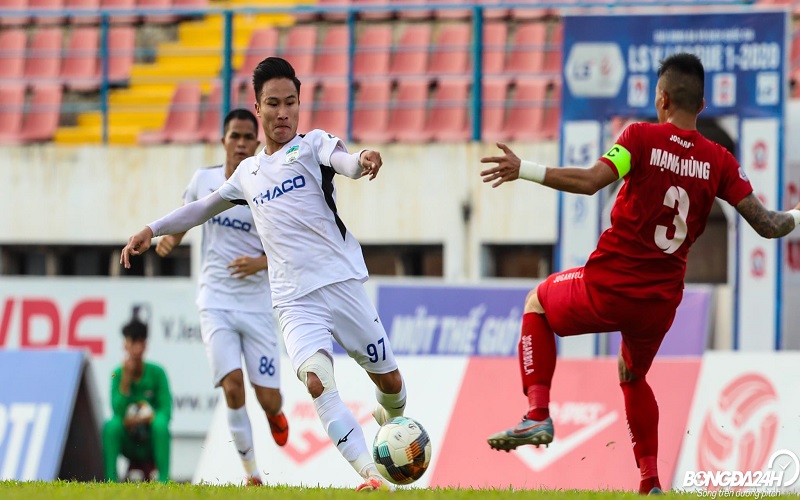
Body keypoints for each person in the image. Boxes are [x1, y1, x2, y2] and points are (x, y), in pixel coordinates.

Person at [479, 53, 800, 495]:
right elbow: (768, 224)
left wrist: (526, 170)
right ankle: (650, 481)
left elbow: (591, 181)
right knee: (632, 374)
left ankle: (536, 415)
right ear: (702, 105)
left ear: (662, 99)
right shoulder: (720, 161)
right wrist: (797, 215)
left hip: (610, 285)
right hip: (659, 304)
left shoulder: (640, 137)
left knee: (537, 302)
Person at [120, 57, 406, 491]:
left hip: (341, 284)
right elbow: (201, 208)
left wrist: (363, 158)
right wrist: (152, 228)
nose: (283, 112)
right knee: (316, 382)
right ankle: (370, 475)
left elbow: (345, 162)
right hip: (294, 301)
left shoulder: (313, 145)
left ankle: (391, 415)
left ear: (299, 103)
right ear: (259, 108)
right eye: (273, 104)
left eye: (291, 102)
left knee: (391, 383)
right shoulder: (248, 174)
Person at [154, 108, 289, 486]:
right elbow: (188, 214)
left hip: (257, 305)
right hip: (215, 302)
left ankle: (275, 413)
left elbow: (289, 247)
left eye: (248, 137)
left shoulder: (270, 187)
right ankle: (252, 475)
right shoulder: (205, 180)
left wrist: (259, 263)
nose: (241, 143)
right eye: (235, 136)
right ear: (223, 141)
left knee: (268, 398)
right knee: (231, 386)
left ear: (257, 142)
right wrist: (171, 239)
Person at [103, 306, 172, 483]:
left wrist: (148, 418)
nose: (134, 349)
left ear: (144, 345)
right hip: (129, 440)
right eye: (130, 343)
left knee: (161, 425)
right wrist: (125, 381)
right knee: (111, 427)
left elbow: (166, 410)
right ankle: (111, 481)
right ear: (125, 345)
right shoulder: (117, 374)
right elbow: (117, 411)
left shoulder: (157, 373)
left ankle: (164, 480)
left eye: (138, 343)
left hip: (150, 439)